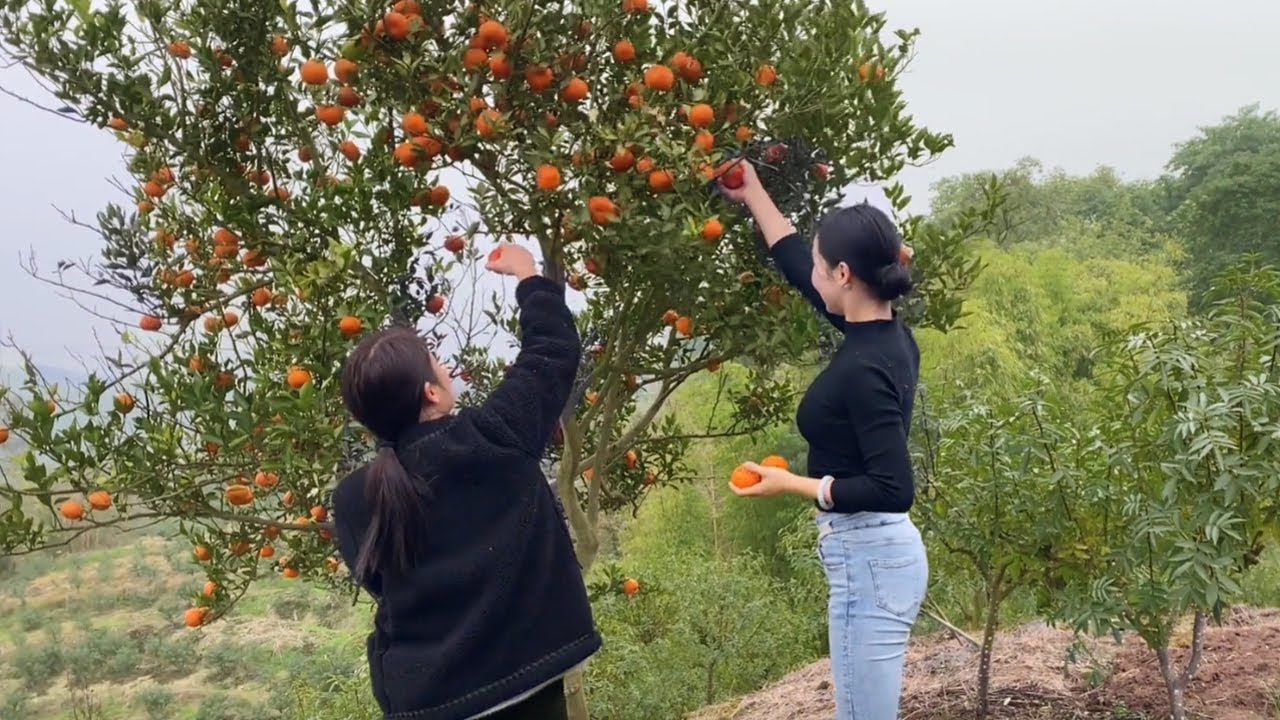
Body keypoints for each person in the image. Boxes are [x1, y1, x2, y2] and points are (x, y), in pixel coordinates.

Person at [331, 243, 601, 720]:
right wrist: (527, 275)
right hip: (526, 678)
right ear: (431, 391)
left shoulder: (354, 499)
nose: (446, 367)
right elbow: (552, 349)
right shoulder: (495, 434)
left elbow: (381, 585)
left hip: (431, 698)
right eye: (437, 363)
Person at [720, 163, 928, 720]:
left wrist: (795, 485)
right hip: (876, 555)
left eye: (819, 264)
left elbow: (893, 486)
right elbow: (794, 264)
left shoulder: (863, 367)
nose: (808, 273)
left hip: (870, 555)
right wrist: (754, 195)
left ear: (842, 274)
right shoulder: (884, 333)